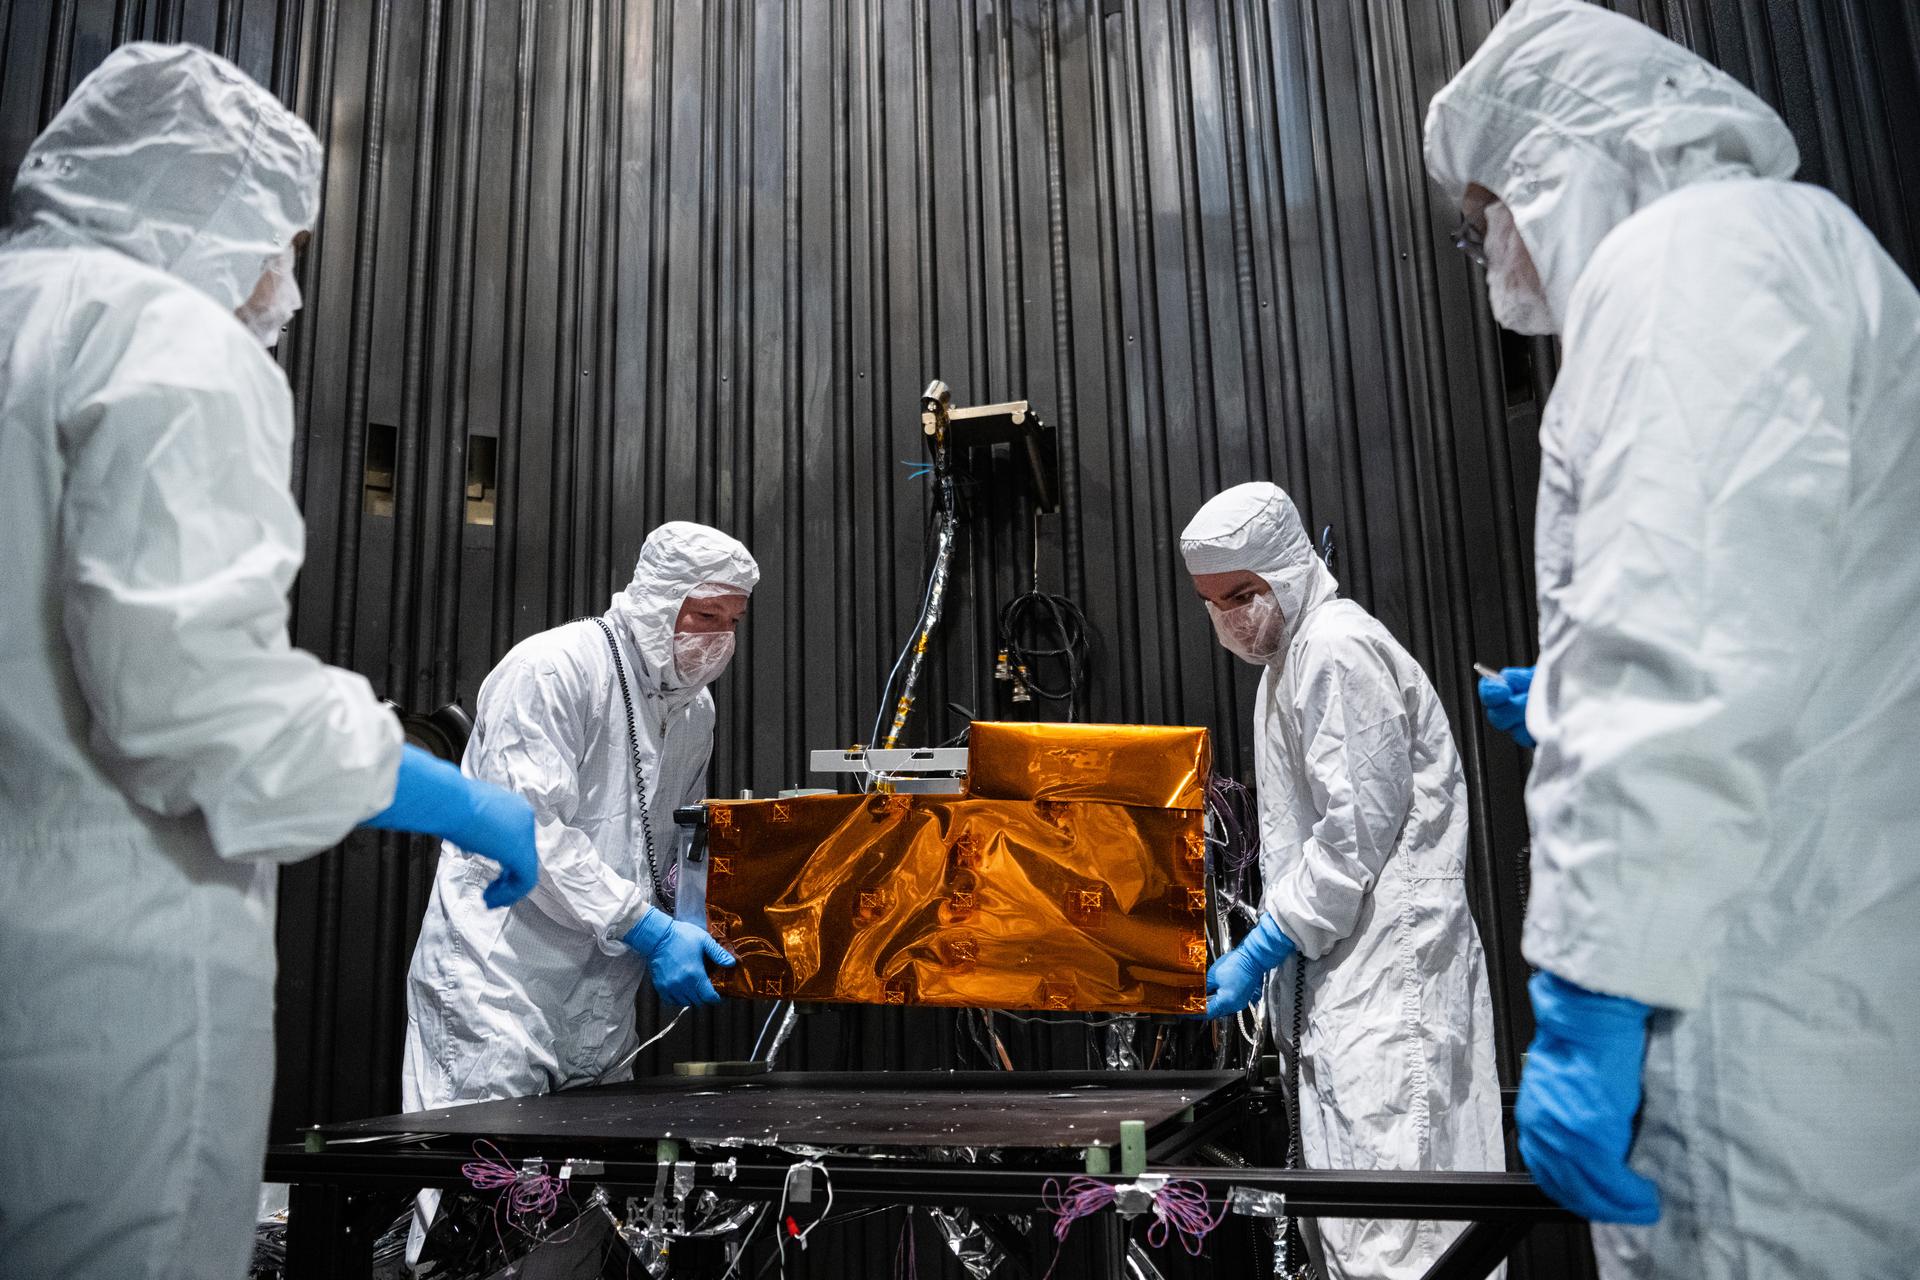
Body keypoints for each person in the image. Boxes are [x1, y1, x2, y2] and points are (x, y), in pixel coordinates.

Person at [0, 43, 539, 1280]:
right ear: (209, 199)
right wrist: (455, 796)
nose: (282, 284)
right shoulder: (163, 338)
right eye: (282, 242)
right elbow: (200, 706)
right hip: (95, 1007)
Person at [1425, 1, 1920, 1275]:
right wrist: (1569, 694)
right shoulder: (1774, 250)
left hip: (1771, 1003)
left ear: (1555, 164)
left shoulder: (1692, 260)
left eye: (1485, 216)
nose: (1490, 253)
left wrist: (1593, 976)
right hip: (1822, 954)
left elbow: (1678, 651)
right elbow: (1755, 599)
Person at [401, 520, 757, 1255]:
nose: (719, 638)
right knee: (480, 1211)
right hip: (502, 981)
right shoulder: (554, 668)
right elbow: (526, 831)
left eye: (733, 621)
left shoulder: (694, 710)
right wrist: (649, 929)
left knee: (576, 1221)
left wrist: (689, 908)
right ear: (659, 600)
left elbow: (670, 837)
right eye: (705, 615)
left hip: (599, 995)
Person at [1183, 482, 1504, 1280]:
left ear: (1288, 566)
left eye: (1241, 595)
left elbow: (1351, 838)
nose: (1230, 619)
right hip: (1349, 990)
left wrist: (1264, 944)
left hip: (1391, 985)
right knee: (1358, 1234)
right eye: (1214, 604)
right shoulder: (1285, 670)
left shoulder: (1335, 649)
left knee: (1402, 1241)